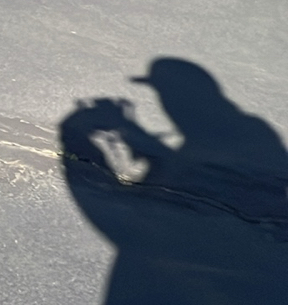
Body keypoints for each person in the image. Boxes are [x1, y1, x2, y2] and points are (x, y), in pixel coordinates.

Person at [59, 58, 287, 303]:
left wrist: (74, 135)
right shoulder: (252, 140)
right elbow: (196, 177)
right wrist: (137, 138)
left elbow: (111, 209)